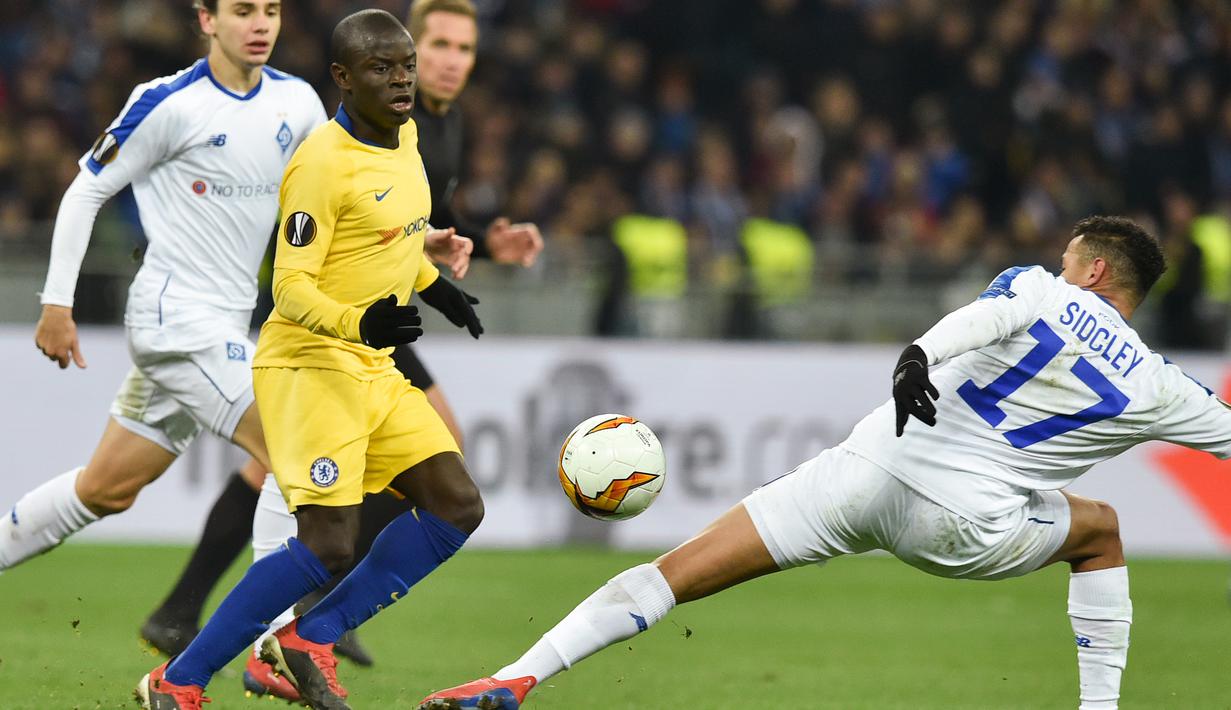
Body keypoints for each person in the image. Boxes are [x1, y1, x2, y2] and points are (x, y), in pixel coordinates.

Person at [419, 216, 1231, 710]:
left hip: (862, 474)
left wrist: (917, 355)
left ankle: (515, 679)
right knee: (1100, 531)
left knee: (674, 571)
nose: (1059, 270)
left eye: (1067, 260)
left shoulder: (1040, 289)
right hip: (965, 530)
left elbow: (987, 319)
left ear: (1091, 269)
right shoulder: (1159, 385)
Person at [138, 0, 543, 682]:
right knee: (326, 539)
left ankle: (310, 633)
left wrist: (435, 284)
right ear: (343, 78)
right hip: (313, 358)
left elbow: (398, 232)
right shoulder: (319, 164)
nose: (402, 79)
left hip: (371, 357)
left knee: (456, 503)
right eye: (381, 68)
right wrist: (360, 323)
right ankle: (181, 676)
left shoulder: (411, 135)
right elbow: (291, 286)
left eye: (406, 66)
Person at [0, 0, 325, 576]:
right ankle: (271, 646)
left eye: (271, 11)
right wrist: (56, 303)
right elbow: (85, 191)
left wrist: (412, 240)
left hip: (222, 325)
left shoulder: (297, 102)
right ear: (207, 21)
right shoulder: (171, 102)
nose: (259, 24)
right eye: (243, 10)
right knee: (294, 450)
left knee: (106, 489)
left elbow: (334, 197)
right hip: (174, 320)